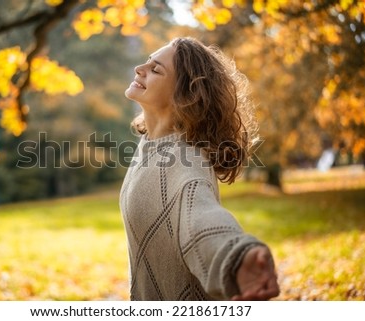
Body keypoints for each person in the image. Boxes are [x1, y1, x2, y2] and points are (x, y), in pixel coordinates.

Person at [119, 37, 280, 301]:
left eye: (156, 69)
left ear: (184, 96)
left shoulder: (184, 162)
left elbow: (202, 219)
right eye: (147, 61)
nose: (140, 68)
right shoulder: (151, 144)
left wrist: (236, 255)